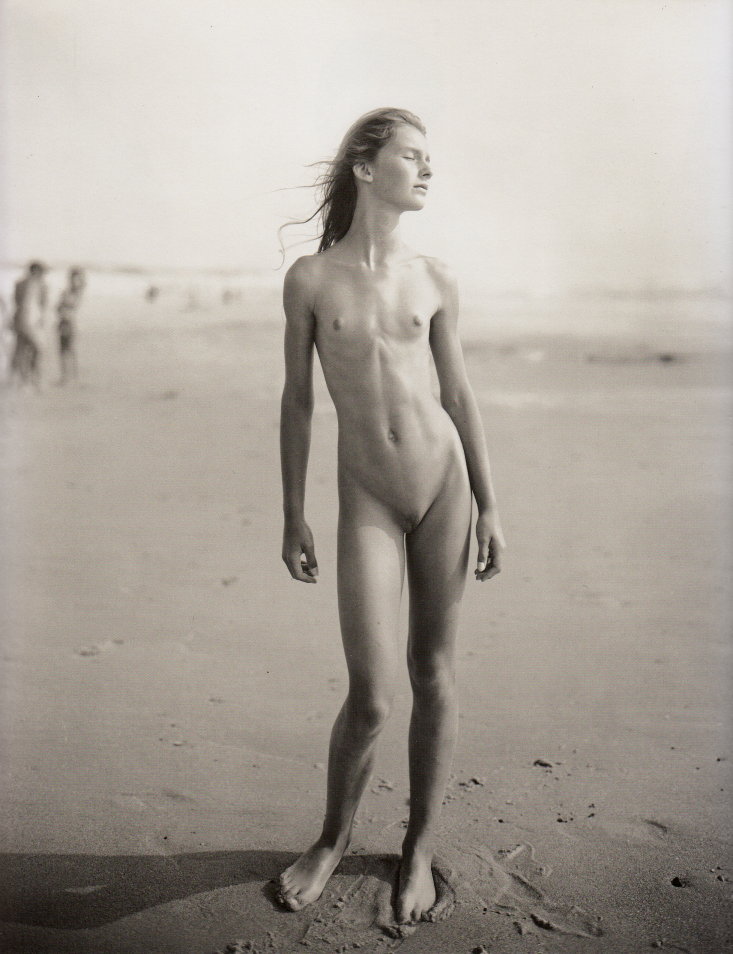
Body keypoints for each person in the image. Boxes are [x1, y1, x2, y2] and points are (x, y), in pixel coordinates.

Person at [277, 108, 505, 924]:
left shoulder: (435, 277)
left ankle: (418, 849)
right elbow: (298, 401)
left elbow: (457, 394)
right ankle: (331, 838)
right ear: (365, 168)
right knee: (372, 694)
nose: (427, 168)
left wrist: (489, 503)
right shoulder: (310, 280)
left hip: (443, 486)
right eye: (412, 155)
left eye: (428, 157)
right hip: (367, 495)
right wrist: (292, 513)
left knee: (433, 673)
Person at [10, 261, 48, 387]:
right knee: (23, 349)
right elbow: (17, 303)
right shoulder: (21, 284)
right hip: (23, 321)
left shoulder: (42, 286)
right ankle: (23, 379)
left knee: (34, 349)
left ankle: (30, 377)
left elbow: (43, 305)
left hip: (34, 322)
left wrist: (42, 320)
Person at [55, 267, 86, 384]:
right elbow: (58, 307)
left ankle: (74, 376)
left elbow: (72, 306)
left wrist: (64, 308)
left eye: (76, 279)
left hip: (72, 322)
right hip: (63, 322)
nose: (74, 281)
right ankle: (65, 376)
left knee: (71, 350)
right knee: (63, 350)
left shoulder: (77, 292)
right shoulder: (67, 292)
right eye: (72, 278)